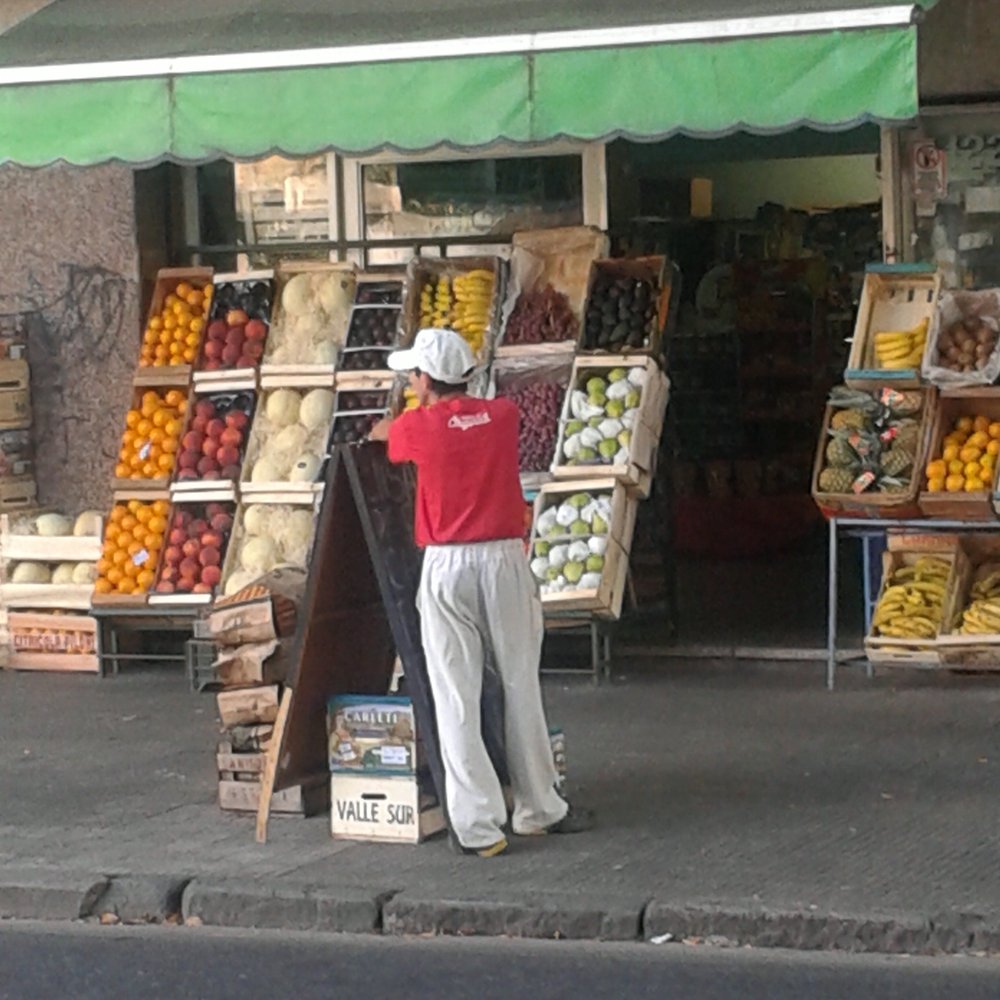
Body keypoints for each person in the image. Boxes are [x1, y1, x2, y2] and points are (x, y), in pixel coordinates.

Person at [368, 327, 593, 857]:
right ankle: (540, 807)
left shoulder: (417, 427)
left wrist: (398, 418)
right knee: (520, 682)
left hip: (447, 565)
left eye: (415, 375)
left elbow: (384, 436)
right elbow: (477, 416)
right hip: (504, 561)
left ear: (425, 380)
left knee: (456, 693)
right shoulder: (504, 417)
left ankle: (478, 827)